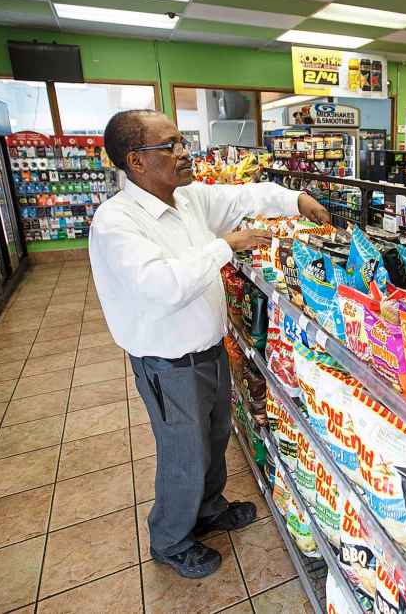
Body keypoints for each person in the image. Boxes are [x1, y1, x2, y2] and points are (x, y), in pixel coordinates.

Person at [89, 110, 330, 579]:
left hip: (209, 348)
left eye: (182, 142)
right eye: (171, 146)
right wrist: (227, 245)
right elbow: (163, 285)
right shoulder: (116, 223)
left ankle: (208, 508)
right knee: (184, 451)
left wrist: (296, 200)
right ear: (136, 161)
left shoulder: (187, 199)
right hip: (168, 362)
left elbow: (243, 193)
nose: (185, 153)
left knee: (215, 436)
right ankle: (171, 539)